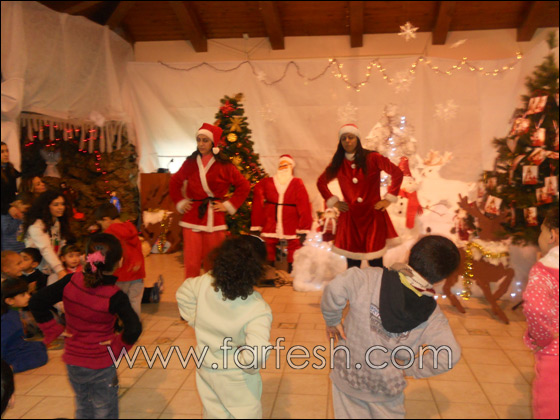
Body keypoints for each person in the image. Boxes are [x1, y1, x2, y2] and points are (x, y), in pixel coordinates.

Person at [321, 235, 462, 419]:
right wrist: (408, 369)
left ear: (410, 254)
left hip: (348, 375)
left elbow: (336, 287)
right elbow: (449, 355)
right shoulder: (432, 316)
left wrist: (332, 320)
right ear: (441, 279)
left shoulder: (369, 278)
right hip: (386, 386)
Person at [29, 233, 142, 420]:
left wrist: (54, 330)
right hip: (101, 363)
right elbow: (134, 328)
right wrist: (117, 346)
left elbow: (36, 302)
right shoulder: (115, 296)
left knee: (83, 405)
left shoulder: (70, 281)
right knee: (105, 411)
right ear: (119, 262)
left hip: (73, 361)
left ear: (86, 258)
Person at [176, 235, 272, 418]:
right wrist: (247, 365)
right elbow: (256, 355)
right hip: (236, 375)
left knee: (213, 411)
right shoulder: (257, 308)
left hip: (206, 366)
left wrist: (197, 321)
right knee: (245, 413)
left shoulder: (205, 282)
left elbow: (183, 293)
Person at [169, 123, 251, 279]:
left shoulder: (225, 166)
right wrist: (180, 201)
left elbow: (244, 185)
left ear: (213, 142)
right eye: (198, 140)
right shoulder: (190, 163)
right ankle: (191, 291)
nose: (201, 144)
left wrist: (228, 205)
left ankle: (212, 292)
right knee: (191, 263)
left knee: (213, 261)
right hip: (192, 216)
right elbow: (175, 182)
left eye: (205, 140)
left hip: (215, 217)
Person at [317, 124, 403, 269]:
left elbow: (397, 173)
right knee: (352, 265)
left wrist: (388, 199)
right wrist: (335, 202)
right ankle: (354, 284)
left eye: (351, 137)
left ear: (357, 139)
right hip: (351, 220)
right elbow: (321, 182)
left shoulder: (373, 158)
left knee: (375, 263)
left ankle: (378, 284)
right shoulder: (338, 163)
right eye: (344, 138)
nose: (347, 141)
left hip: (372, 217)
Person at [523, 206, 559, 419]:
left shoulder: (545, 270)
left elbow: (536, 307)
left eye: (542, 231)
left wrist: (542, 338)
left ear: (552, 235)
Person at [251, 154, 313, 272]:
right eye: (281, 165)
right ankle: (268, 272)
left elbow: (304, 205)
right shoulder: (267, 182)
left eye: (287, 165)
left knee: (294, 247)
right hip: (270, 222)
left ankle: (292, 272)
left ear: (291, 167)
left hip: (290, 222)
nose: (284, 167)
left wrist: (304, 227)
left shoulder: (297, 183)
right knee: (268, 246)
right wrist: (257, 224)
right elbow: (257, 202)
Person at [95, 203, 145, 317]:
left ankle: (120, 323)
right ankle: (135, 323)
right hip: (137, 273)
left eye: (101, 224)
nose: (101, 227)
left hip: (120, 275)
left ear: (106, 219)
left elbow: (109, 254)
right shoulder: (131, 227)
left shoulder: (109, 233)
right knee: (135, 300)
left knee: (118, 301)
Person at [22, 190, 74, 280]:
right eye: (56, 205)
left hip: (52, 269)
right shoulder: (36, 226)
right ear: (46, 206)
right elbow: (45, 249)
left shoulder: (57, 222)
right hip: (37, 271)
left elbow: (61, 242)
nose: (61, 207)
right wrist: (59, 269)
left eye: (62, 204)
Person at [1, 277, 48, 373]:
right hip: (8, 352)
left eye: (27, 293)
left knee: (39, 346)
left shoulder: (11, 312)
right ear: (10, 301)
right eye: (23, 295)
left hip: (16, 346)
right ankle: (11, 368)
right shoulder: (7, 319)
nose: (28, 296)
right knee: (39, 356)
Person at [1, 142, 22, 252]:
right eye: (2, 152)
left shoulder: (11, 170)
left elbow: (14, 192)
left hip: (12, 211)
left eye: (7, 150)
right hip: (4, 212)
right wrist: (8, 208)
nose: (6, 154)